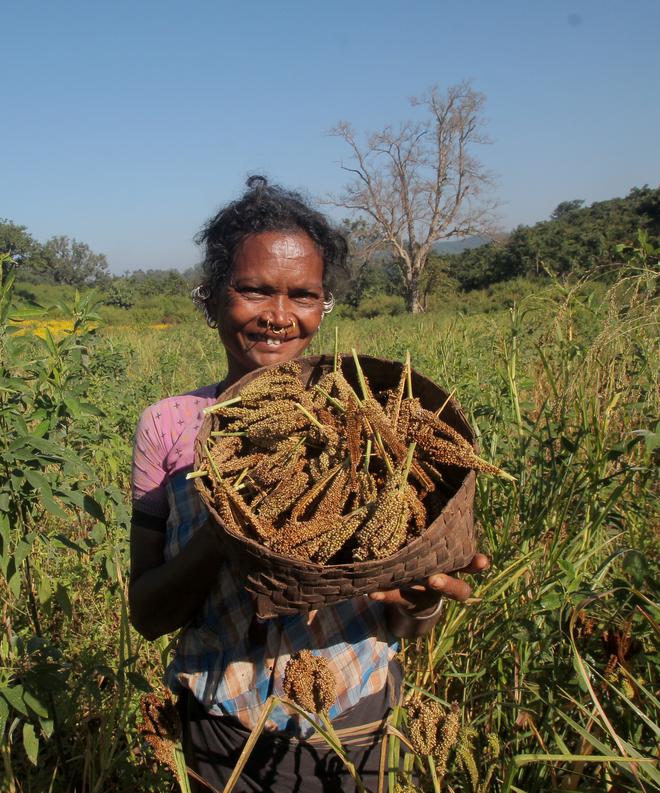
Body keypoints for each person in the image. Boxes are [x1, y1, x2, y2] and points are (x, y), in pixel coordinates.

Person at [129, 176, 488, 792]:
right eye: (253, 290)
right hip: (222, 726)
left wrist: (420, 602)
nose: (278, 316)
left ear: (324, 306)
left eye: (304, 295)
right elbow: (148, 613)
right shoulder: (170, 425)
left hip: (353, 723)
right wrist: (224, 537)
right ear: (212, 298)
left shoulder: (373, 416)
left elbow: (402, 621)